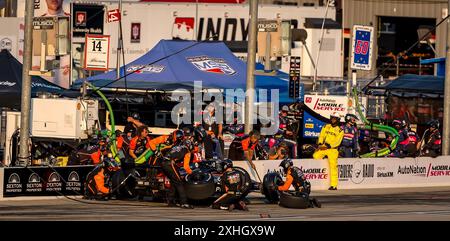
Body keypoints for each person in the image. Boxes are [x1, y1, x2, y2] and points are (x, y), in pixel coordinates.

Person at [161, 129, 194, 209]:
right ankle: (184, 203)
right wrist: (192, 173)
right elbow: (186, 167)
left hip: (164, 163)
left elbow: (162, 150)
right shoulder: (187, 151)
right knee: (179, 182)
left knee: (174, 181)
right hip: (170, 164)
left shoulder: (176, 146)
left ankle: (171, 201)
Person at [313, 112, 344, 190]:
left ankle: (333, 185)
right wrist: (320, 143)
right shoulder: (326, 126)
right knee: (315, 156)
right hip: (323, 147)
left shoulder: (340, 130)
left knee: (333, 166)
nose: (333, 120)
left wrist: (329, 146)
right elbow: (321, 135)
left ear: (338, 120)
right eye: (332, 118)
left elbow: (338, 141)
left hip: (333, 149)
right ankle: (317, 178)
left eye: (335, 118)